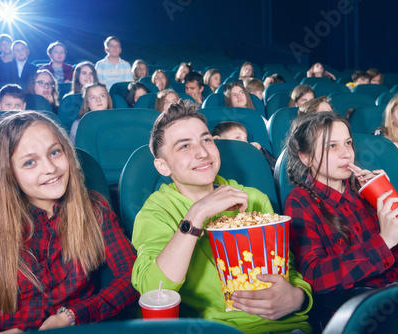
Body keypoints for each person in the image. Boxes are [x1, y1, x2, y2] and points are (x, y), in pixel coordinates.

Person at [132, 100, 312, 334]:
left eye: (206, 140)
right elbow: (153, 289)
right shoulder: (155, 212)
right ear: (163, 167)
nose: (202, 153)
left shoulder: (254, 198)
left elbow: (286, 267)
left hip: (285, 325)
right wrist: (197, 214)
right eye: (184, 146)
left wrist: (298, 297)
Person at [0, 110, 138, 332]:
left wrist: (72, 316)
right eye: (30, 162)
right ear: (8, 174)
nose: (50, 168)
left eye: (55, 152)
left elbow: (132, 277)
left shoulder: (94, 208)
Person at [284, 111, 398, 326]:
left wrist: (384, 195)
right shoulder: (300, 199)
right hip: (357, 311)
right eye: (332, 146)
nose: (346, 154)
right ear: (306, 157)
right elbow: (314, 276)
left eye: (348, 143)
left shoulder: (364, 191)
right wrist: (384, 242)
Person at [212, 121, 277, 173]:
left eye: (245, 139)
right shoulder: (215, 161)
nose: (245, 142)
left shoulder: (250, 156)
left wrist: (260, 152)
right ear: (217, 140)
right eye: (237, 137)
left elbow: (275, 169)